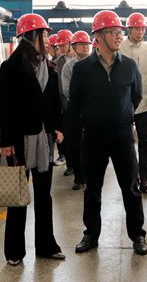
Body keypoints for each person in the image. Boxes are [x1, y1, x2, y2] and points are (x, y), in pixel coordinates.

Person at [69, 10, 147, 256]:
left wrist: (122, 115)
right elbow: (75, 101)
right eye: (113, 32)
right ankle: (91, 234)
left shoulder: (129, 66)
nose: (118, 36)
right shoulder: (82, 69)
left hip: (122, 135)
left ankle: (138, 235)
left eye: (119, 32)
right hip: (93, 136)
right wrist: (92, 117)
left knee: (131, 187)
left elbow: (136, 96)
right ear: (99, 36)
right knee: (92, 188)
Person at [0, 13, 65, 265]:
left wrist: (58, 128)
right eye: (43, 34)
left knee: (44, 196)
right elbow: (5, 108)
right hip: (18, 141)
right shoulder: (10, 68)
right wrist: (5, 142)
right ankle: (14, 252)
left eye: (47, 34)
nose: (47, 39)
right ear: (29, 36)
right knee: (17, 197)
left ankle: (46, 246)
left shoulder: (50, 67)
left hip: (44, 139)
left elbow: (55, 103)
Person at [119, 12, 147, 192]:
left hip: (144, 102)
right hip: (124, 103)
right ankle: (130, 177)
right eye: (137, 28)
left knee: (144, 141)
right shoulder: (120, 48)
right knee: (126, 143)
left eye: (143, 28)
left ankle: (144, 178)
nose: (140, 32)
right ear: (129, 29)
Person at [61, 30, 92, 190]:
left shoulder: (96, 64)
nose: (85, 47)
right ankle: (79, 178)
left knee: (92, 144)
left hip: (93, 109)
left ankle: (91, 178)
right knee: (76, 145)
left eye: (87, 44)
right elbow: (66, 90)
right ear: (74, 47)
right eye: (81, 44)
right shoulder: (68, 67)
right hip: (75, 110)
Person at [54, 29, 74, 168]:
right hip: (64, 105)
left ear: (70, 44)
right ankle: (70, 164)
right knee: (67, 135)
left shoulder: (80, 60)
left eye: (63, 45)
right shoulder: (56, 63)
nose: (60, 48)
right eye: (59, 45)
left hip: (79, 105)